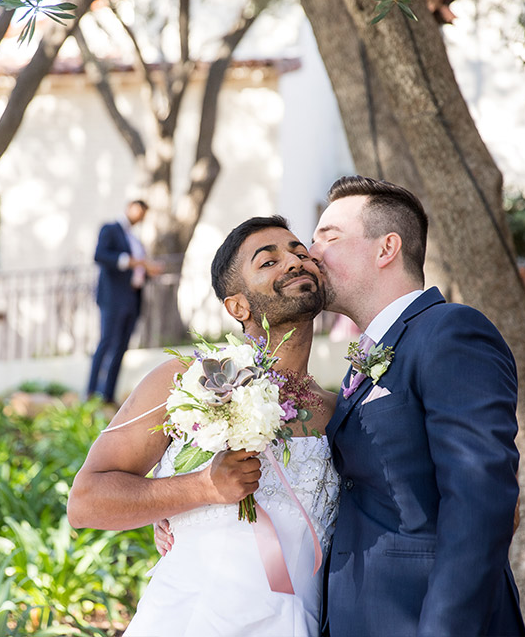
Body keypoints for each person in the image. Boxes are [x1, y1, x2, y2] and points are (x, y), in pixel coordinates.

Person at [68, 216, 340, 637]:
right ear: (238, 306)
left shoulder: (340, 412)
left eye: (301, 253)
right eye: (268, 261)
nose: (294, 262)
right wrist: (199, 490)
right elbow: (86, 501)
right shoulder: (183, 379)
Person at [309, 175, 525, 636]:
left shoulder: (450, 332)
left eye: (329, 237)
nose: (312, 254)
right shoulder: (367, 357)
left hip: (427, 617)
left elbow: (480, 500)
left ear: (386, 248)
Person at [87, 199, 160, 403]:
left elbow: (138, 270)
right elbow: (100, 255)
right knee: (106, 342)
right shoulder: (110, 229)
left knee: (121, 347)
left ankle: (107, 396)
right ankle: (91, 392)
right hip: (113, 298)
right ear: (130, 208)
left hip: (132, 298)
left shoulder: (135, 239)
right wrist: (133, 261)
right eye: (140, 211)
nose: (141, 217)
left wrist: (148, 270)